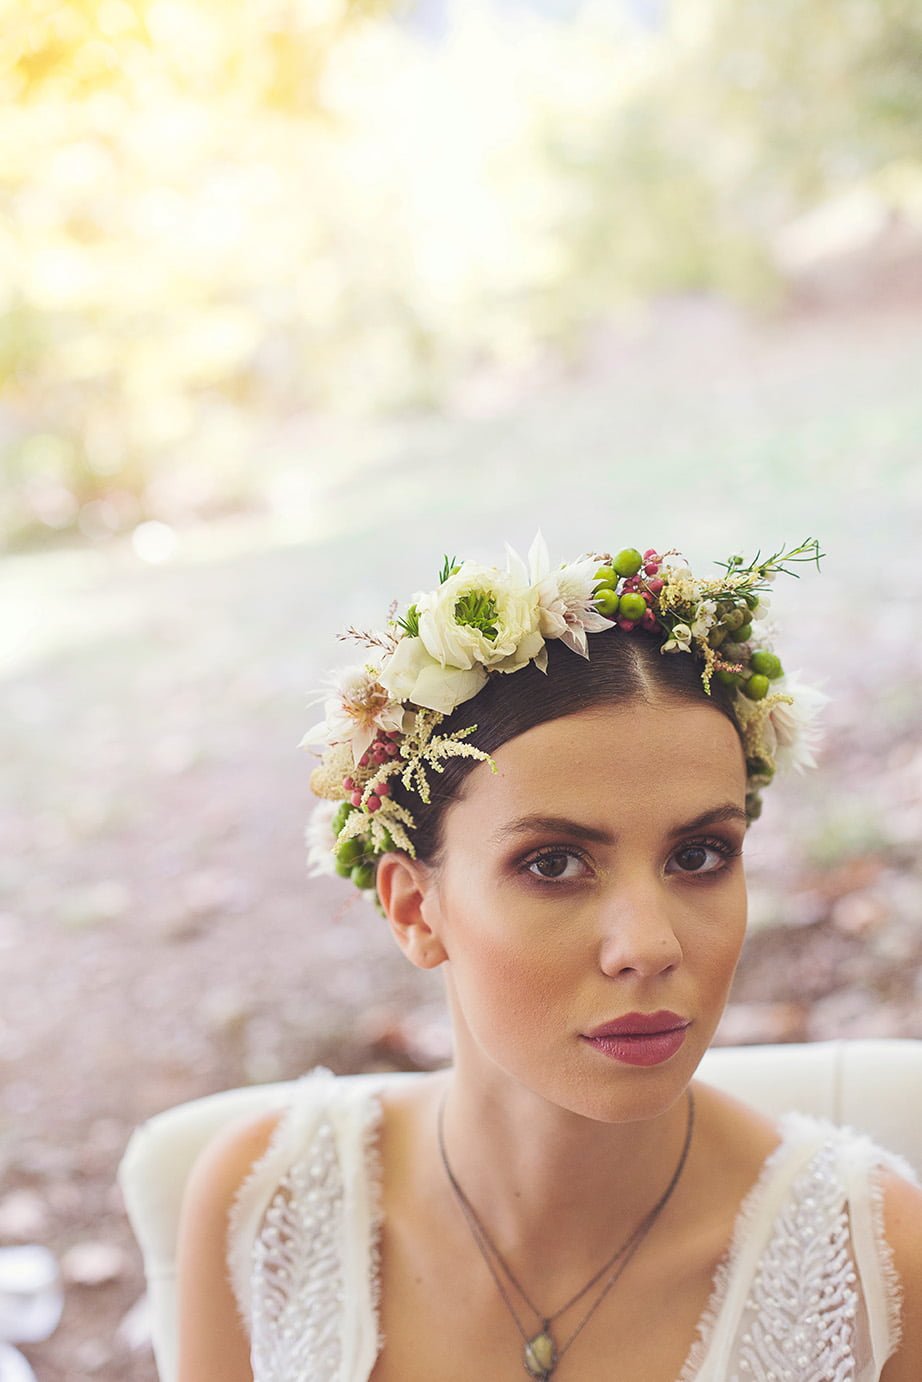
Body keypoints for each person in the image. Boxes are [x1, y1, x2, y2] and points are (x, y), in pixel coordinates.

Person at [175, 536, 922, 1382]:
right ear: (416, 909)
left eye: (700, 856)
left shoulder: (880, 1264)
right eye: (554, 864)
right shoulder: (263, 1202)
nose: (649, 946)